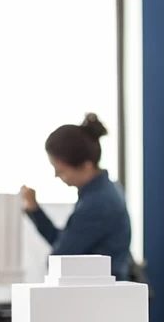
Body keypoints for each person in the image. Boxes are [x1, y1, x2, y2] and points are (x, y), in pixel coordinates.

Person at [20, 113, 131, 279]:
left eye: (62, 170)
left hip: (99, 295)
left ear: (86, 166)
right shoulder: (104, 191)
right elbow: (65, 241)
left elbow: (60, 257)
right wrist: (34, 210)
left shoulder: (98, 203)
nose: (57, 176)